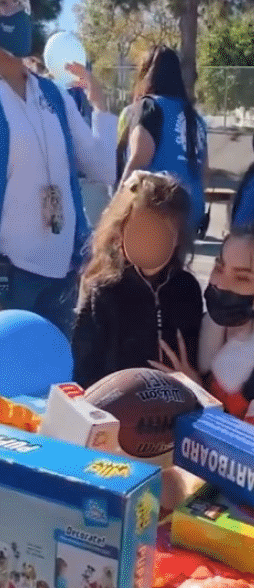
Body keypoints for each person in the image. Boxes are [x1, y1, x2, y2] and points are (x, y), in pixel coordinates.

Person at [0, 0, 115, 336]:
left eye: (19, 3)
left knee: (58, 380)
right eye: (5, 4)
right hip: (10, 275)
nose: (17, 11)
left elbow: (103, 169)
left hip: (62, 271)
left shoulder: (51, 93)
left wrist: (100, 106)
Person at [154, 221, 254, 444]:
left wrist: (197, 395)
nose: (221, 284)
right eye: (219, 266)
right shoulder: (206, 328)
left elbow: (249, 461)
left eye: (242, 277)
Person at [71, 171, 200, 388]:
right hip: (119, 410)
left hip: (176, 405)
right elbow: (83, 369)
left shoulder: (187, 289)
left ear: (178, 238)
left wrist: (193, 382)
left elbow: (197, 356)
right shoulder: (103, 291)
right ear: (121, 232)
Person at [117, 45, 208, 238]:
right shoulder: (196, 119)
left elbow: (140, 159)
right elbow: (203, 171)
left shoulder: (149, 107)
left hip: (156, 212)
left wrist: (115, 208)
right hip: (189, 213)